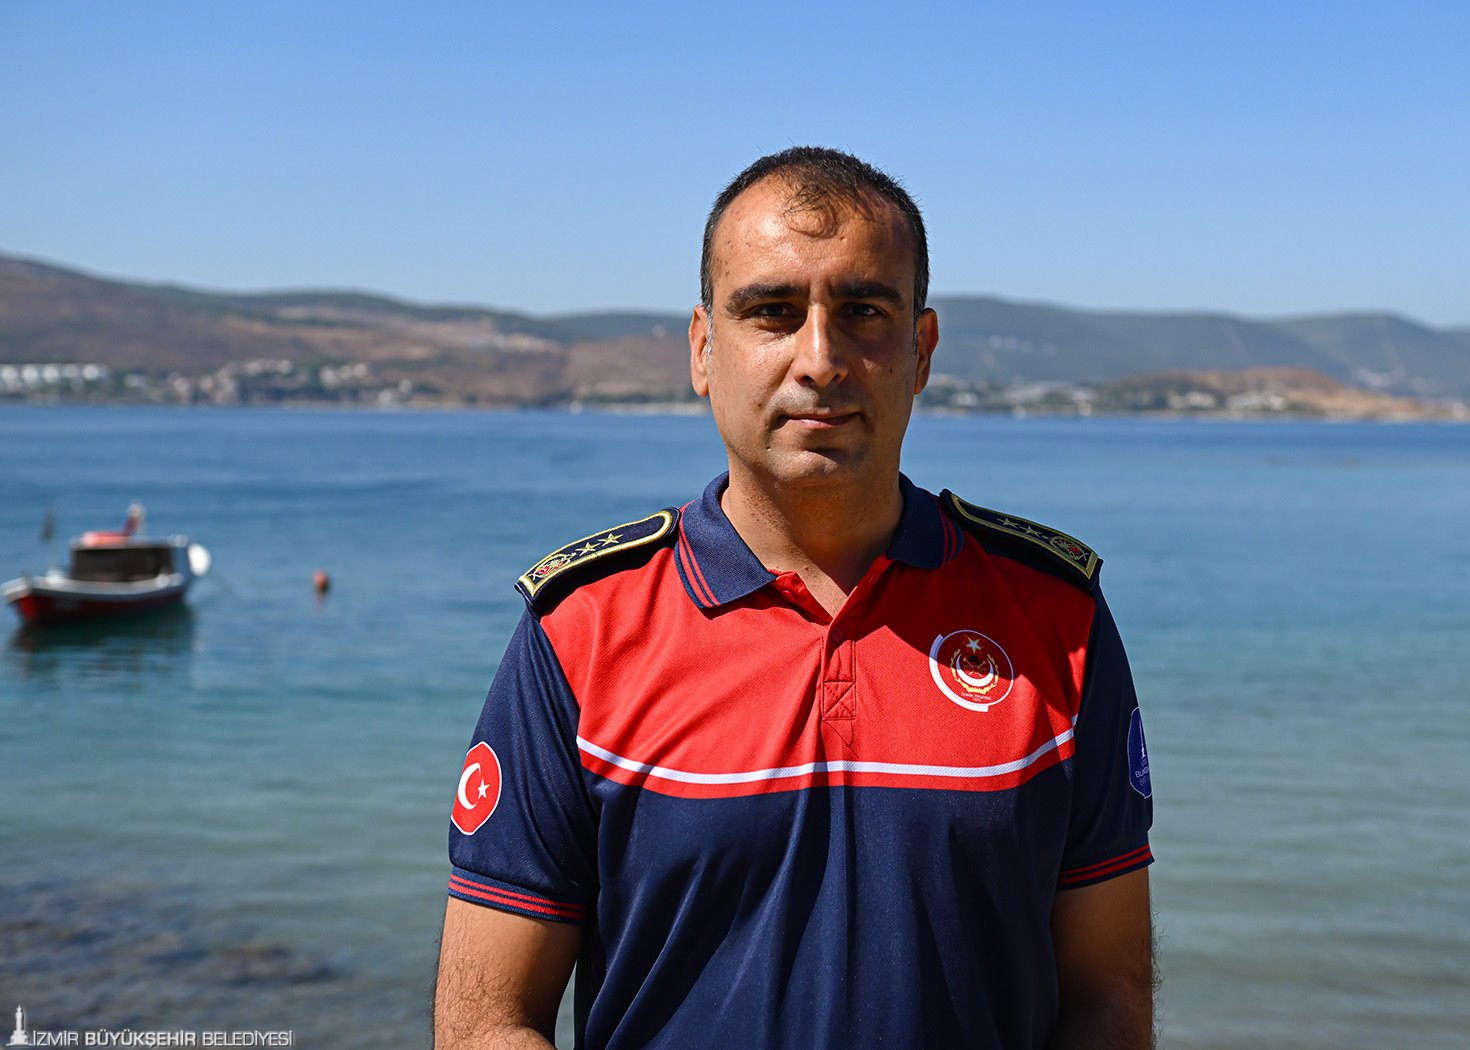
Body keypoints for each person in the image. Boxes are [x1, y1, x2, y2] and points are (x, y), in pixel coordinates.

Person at [433, 146, 1155, 1049]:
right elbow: (484, 1019)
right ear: (703, 349)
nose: (820, 359)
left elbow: (1108, 1003)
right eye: (772, 311)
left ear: (920, 351)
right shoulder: (581, 628)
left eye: (863, 312)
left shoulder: (1056, 616)